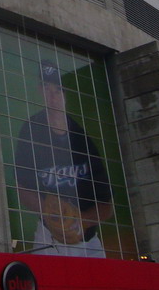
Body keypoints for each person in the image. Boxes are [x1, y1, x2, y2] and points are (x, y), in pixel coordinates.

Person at [14, 60, 113, 257]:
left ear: (65, 94)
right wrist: (49, 213)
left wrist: (82, 221)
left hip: (87, 240)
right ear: (40, 91)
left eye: (58, 89)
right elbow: (22, 188)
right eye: (47, 88)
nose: (53, 95)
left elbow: (107, 205)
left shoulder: (81, 138)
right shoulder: (31, 130)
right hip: (48, 236)